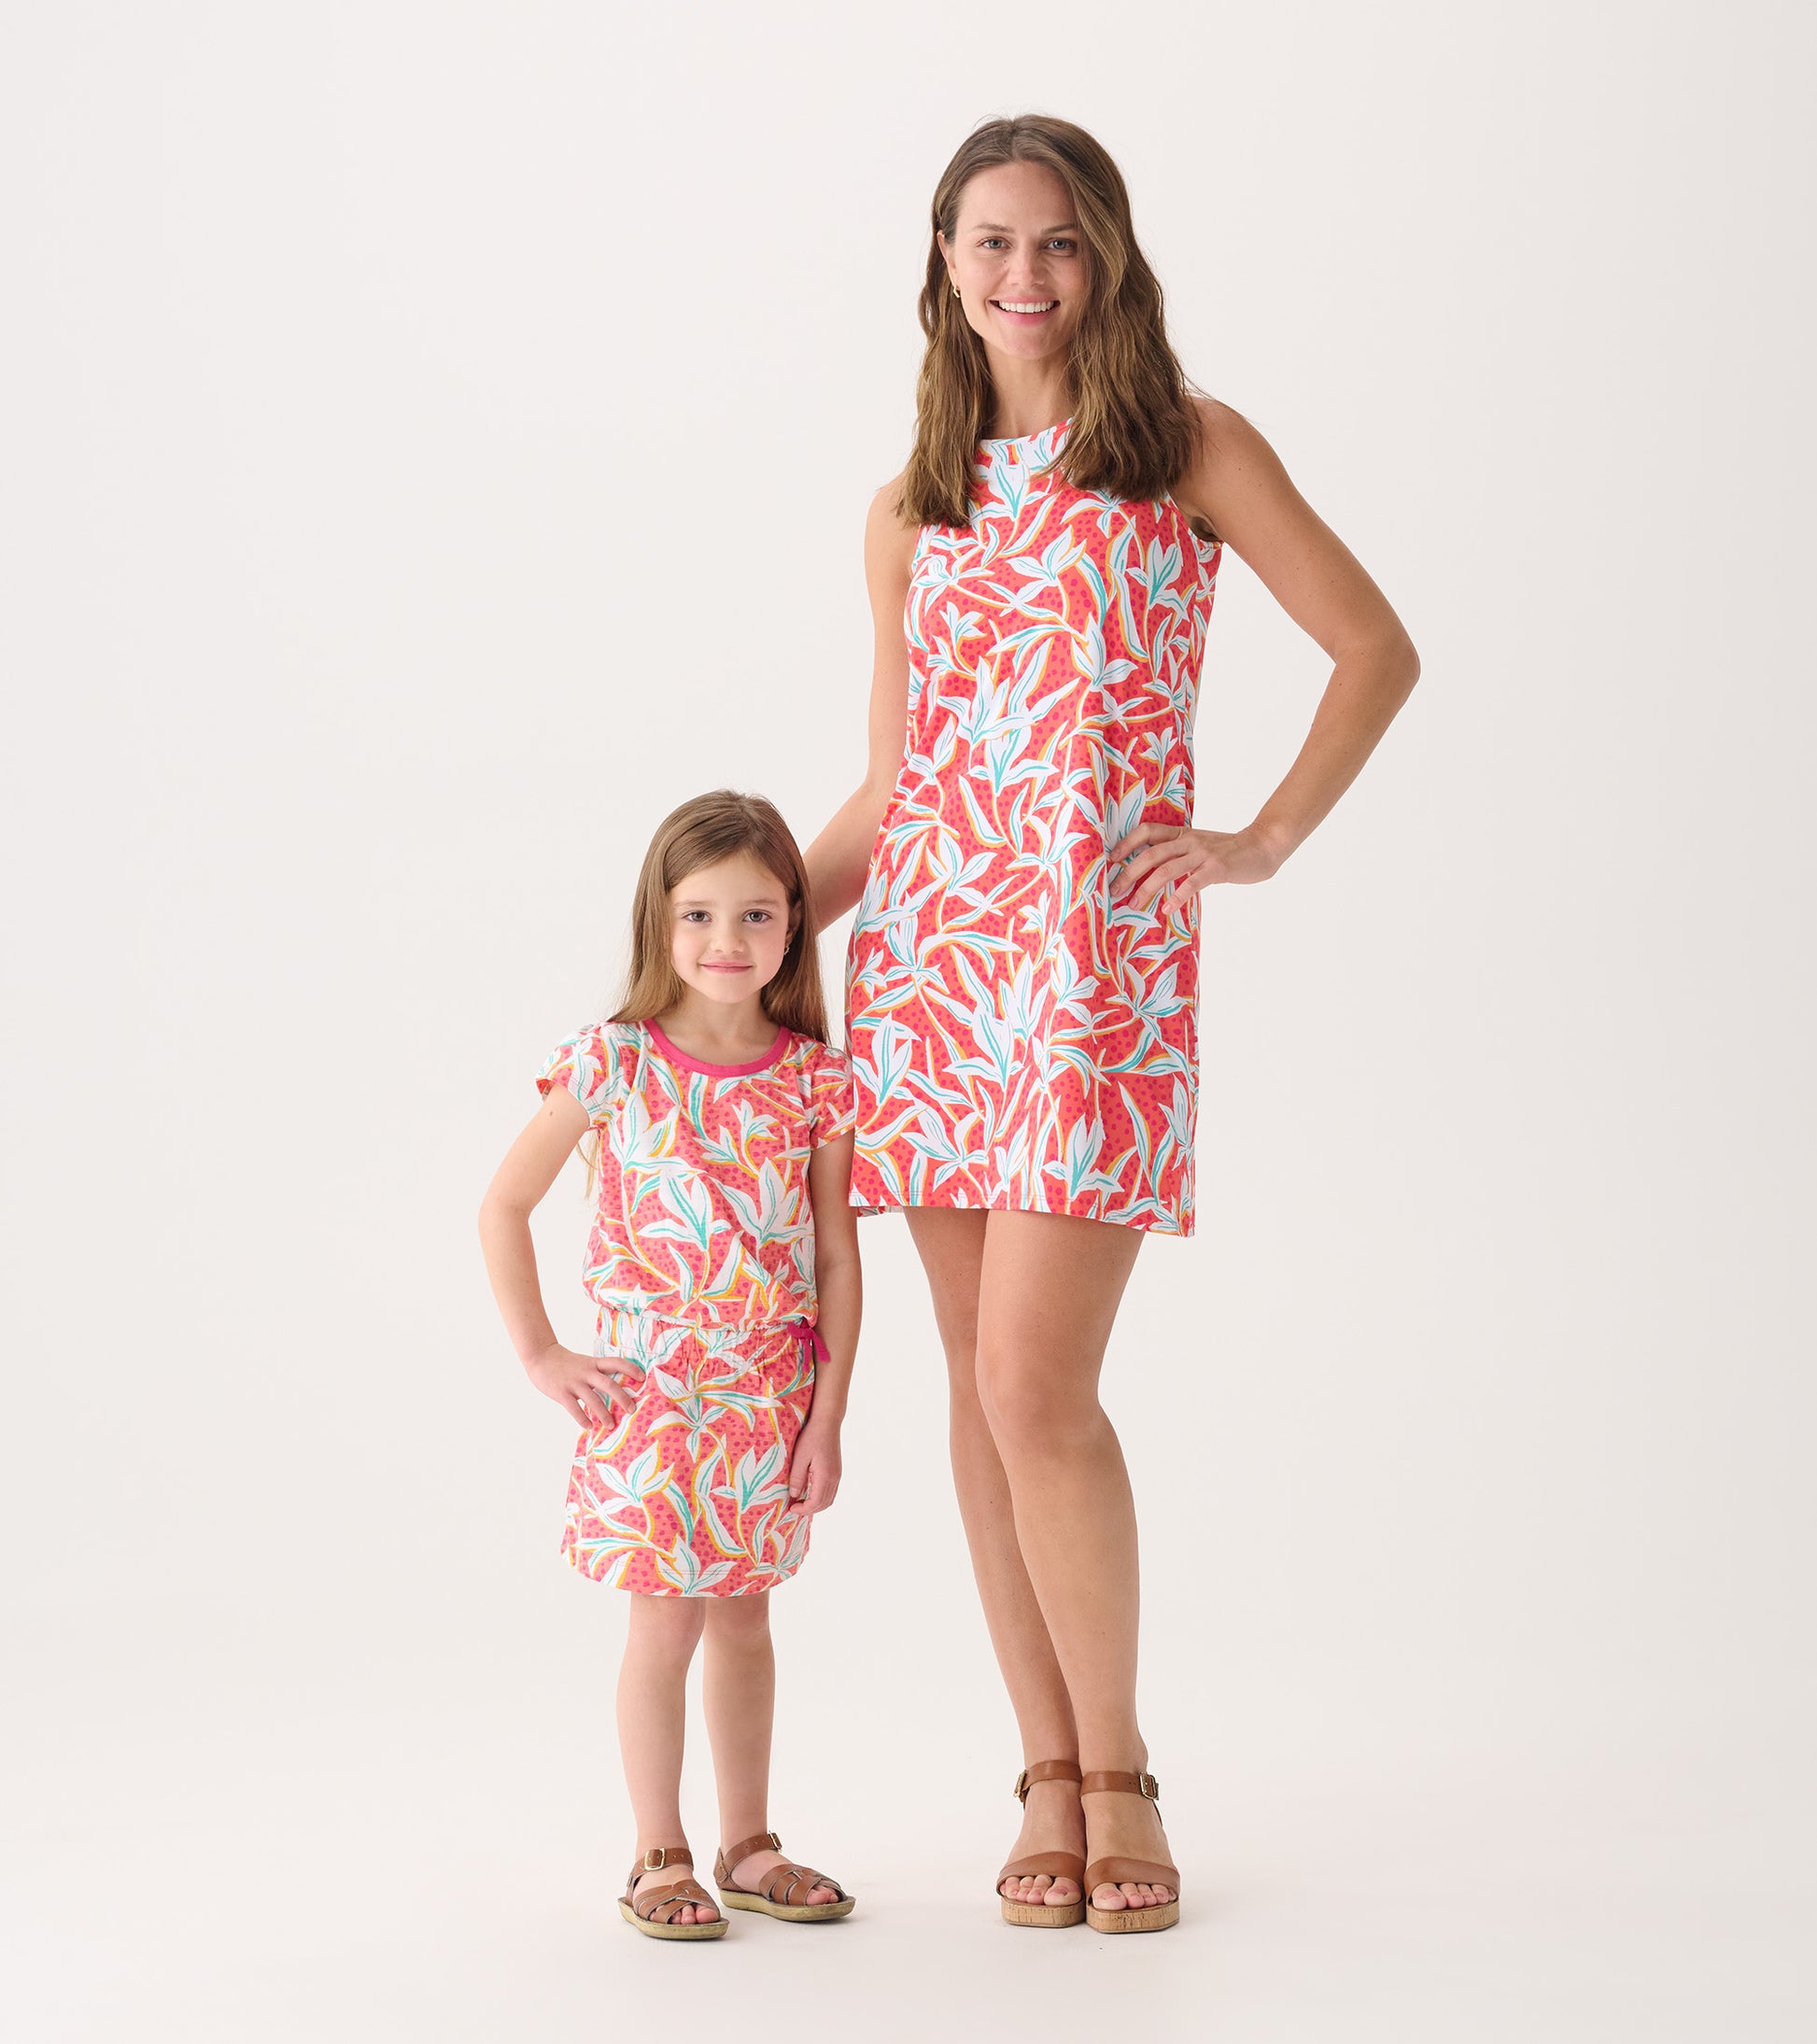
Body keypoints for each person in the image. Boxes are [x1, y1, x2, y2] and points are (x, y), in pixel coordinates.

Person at [805, 115, 1419, 1935]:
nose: (1024, 273)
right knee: (973, 1392)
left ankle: (1123, 1763)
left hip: (1089, 978)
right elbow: (896, 783)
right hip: (931, 975)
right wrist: (719, 941)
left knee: (1033, 1382)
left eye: (1058, 241)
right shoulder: (908, 507)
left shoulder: (1185, 449)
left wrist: (1259, 838)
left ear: (1108, 258)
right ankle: (1046, 1770)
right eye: (989, 241)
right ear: (941, 263)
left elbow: (1373, 645)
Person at [479, 790, 862, 1940]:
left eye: (754, 914)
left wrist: (825, 1416)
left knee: (744, 1622)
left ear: (792, 922)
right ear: (659, 919)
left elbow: (836, 1258)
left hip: (765, 1401)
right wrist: (542, 1351)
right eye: (698, 913)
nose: (725, 939)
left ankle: (749, 1843)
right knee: (663, 1626)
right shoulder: (612, 1061)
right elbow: (503, 1204)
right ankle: (659, 1848)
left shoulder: (815, 1080)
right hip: (648, 1405)